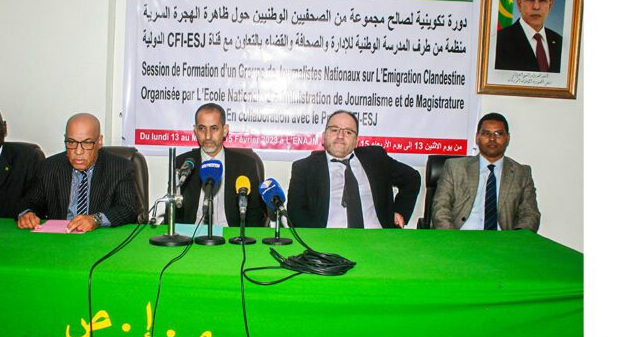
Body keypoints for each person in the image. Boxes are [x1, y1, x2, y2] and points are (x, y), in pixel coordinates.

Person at [287, 110, 421, 229]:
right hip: (330, 239)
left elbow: (412, 178)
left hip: (377, 238)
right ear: (324, 136)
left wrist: (400, 211)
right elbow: (295, 213)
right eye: (334, 130)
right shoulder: (304, 168)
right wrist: (320, 239)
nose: (340, 136)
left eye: (348, 132)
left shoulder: (375, 158)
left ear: (356, 141)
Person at [17, 113, 137, 233]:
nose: (78, 151)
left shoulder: (120, 168)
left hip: (100, 237)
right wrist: (27, 213)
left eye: (87, 143)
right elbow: (30, 201)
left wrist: (95, 219)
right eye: (71, 142)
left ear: (99, 141)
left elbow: (127, 209)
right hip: (59, 238)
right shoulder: (49, 167)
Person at [431, 113, 541, 231]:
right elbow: (440, 208)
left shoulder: (522, 173)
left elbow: (530, 214)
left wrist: (516, 239)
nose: (492, 138)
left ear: (507, 138)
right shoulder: (455, 168)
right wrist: (452, 237)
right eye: (486, 133)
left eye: (498, 133)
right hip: (462, 235)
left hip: (503, 239)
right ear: (477, 137)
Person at [174, 103, 265, 226]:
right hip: (191, 233)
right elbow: (173, 212)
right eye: (202, 128)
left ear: (225, 130)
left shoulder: (245, 165)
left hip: (231, 234)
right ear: (195, 131)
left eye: (214, 128)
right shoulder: (182, 163)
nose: (208, 136)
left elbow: (255, 212)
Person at [495, 0, 563, 73]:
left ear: (550, 5)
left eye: (542, 0)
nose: (536, 6)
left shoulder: (560, 42)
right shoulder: (498, 41)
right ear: (519, 4)